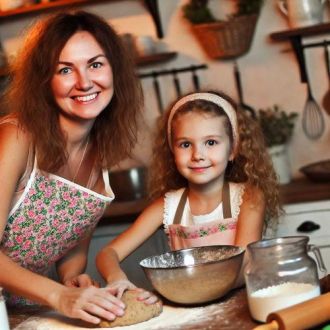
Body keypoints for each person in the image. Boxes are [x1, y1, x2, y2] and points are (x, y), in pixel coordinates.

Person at [0, 10, 153, 325]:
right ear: (44, 80)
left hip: (21, 312)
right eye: (65, 70)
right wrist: (59, 296)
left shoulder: (100, 155)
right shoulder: (17, 137)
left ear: (115, 71)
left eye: (95, 64)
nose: (85, 82)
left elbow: (69, 246)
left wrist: (73, 279)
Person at [96, 91, 281, 295]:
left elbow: (245, 263)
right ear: (172, 152)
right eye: (185, 144)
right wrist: (117, 278)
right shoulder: (168, 207)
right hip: (191, 303)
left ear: (233, 149)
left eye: (210, 142)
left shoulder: (248, 198)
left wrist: (186, 287)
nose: (197, 155)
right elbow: (107, 253)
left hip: (247, 299)